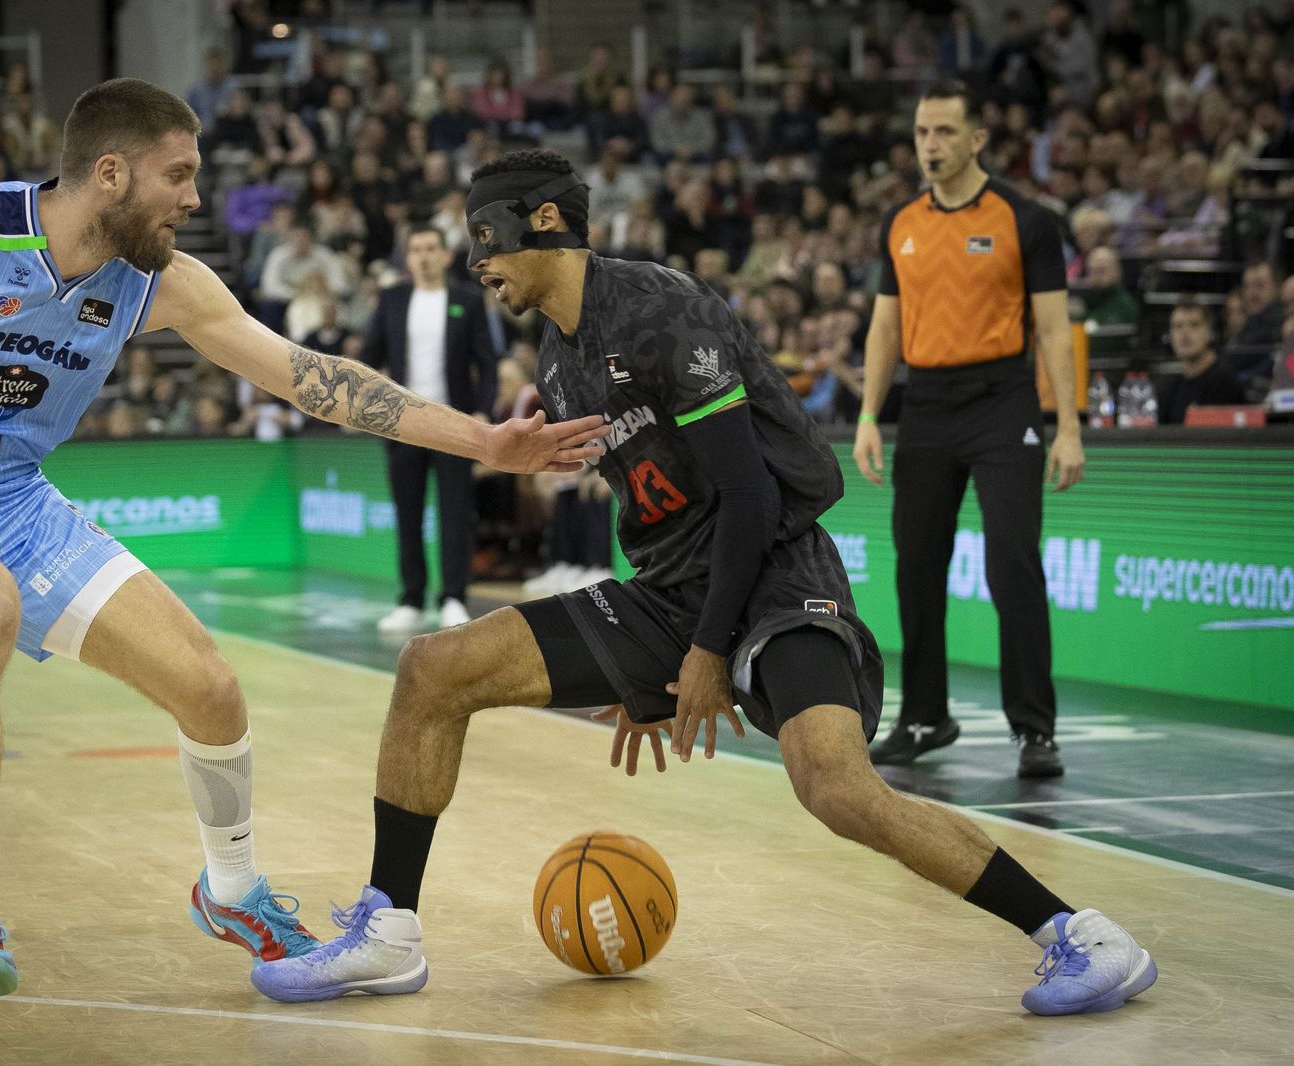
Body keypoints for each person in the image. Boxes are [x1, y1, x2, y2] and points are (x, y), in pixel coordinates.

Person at [0, 80, 608, 1010]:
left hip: (11, 501)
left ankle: (230, 891)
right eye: (178, 176)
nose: (196, 198)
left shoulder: (159, 282)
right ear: (108, 174)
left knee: (211, 689)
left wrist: (485, 441)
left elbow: (312, 379)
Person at [251, 148, 1156, 1018]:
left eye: (485, 237)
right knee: (429, 670)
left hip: (772, 567)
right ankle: (390, 929)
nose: (475, 261)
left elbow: (749, 494)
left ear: (547, 220)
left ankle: (1081, 933)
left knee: (834, 786)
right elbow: (658, 512)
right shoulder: (560, 367)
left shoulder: (661, 308)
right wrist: (641, 663)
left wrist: (707, 650)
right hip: (671, 587)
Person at [853, 82, 1084, 779]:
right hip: (924, 405)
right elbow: (885, 326)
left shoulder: (1027, 218)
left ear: (978, 139)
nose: (931, 145)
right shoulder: (899, 222)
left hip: (1003, 401)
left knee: (1011, 562)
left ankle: (1034, 730)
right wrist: (868, 414)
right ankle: (925, 715)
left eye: (946, 132)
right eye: (923, 132)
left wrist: (1067, 426)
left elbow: (1052, 327)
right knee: (916, 565)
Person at [362, 224, 496, 631]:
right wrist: (369, 409)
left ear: (445, 255)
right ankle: (411, 599)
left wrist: (485, 411)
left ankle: (454, 596)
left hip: (454, 422)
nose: (423, 255)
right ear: (408, 257)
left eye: (430, 248)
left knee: (456, 512)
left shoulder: (468, 301)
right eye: (415, 249)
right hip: (403, 424)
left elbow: (487, 363)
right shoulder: (392, 299)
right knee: (408, 513)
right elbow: (368, 358)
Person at [1158, 299, 1245, 424]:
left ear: (1210, 332)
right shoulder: (1171, 389)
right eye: (1178, 326)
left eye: (1194, 325)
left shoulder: (1223, 382)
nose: (1185, 332)